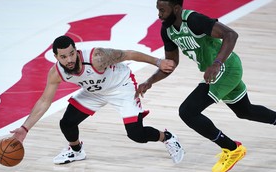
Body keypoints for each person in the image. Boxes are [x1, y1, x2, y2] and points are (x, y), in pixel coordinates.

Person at [136, 0, 276, 172]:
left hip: (225, 68)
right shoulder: (167, 30)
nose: (159, 15)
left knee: (188, 111)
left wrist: (216, 63)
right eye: (158, 9)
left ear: (176, 8)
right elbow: (172, 63)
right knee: (245, 111)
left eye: (163, 10)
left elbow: (231, 35)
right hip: (218, 71)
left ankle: (232, 149)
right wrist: (150, 81)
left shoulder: (193, 20)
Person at [10, 35, 185, 164]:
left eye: (72, 54)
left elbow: (129, 54)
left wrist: (158, 62)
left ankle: (167, 137)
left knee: (136, 134)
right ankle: (76, 150)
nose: (69, 59)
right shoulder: (56, 72)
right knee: (67, 123)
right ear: (56, 57)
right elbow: (44, 102)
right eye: (63, 57)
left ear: (76, 50)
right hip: (94, 91)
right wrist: (25, 128)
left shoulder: (97, 57)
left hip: (120, 87)